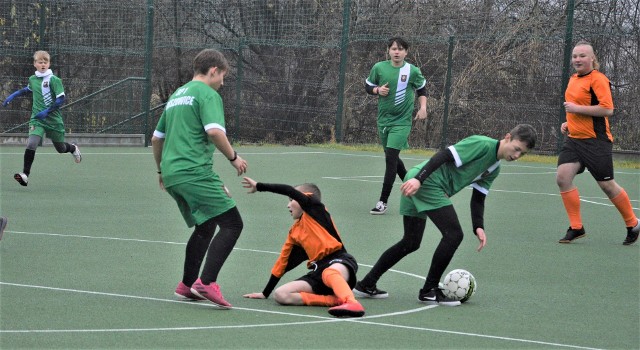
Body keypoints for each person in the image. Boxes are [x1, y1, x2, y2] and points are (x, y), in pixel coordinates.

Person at [354, 124, 538, 306]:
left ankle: (366, 284)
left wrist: (478, 226)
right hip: (427, 182)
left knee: (410, 242)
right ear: (507, 137)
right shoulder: (482, 144)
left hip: (421, 181)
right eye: (516, 149)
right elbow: (443, 155)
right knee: (454, 234)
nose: (516, 156)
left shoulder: (494, 168)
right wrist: (419, 180)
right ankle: (429, 290)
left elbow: (478, 198)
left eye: (522, 154)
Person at [151, 48, 248, 309]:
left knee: (205, 226)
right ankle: (206, 282)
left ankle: (186, 285)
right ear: (213, 70)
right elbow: (215, 132)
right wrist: (233, 157)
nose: (222, 83)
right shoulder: (207, 94)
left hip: (172, 174)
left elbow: (156, 138)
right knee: (232, 223)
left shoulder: (176, 95)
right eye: (222, 76)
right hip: (193, 172)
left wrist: (161, 171)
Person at [241, 177, 365, 318]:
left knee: (329, 273)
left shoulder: (315, 209)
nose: (288, 205)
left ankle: (351, 302)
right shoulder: (295, 232)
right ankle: (333, 300)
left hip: (339, 261)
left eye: (291, 200)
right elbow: (282, 263)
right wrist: (265, 292)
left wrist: (259, 186)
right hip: (318, 271)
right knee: (281, 295)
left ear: (304, 198)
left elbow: (289, 190)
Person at [556, 41, 639, 246]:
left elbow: (607, 109)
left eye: (582, 56)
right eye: (575, 56)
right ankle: (576, 227)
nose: (577, 59)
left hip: (596, 141)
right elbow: (577, 108)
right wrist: (568, 122)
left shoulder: (598, 79)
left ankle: (633, 223)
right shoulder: (573, 79)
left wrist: (576, 110)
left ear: (592, 58)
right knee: (562, 177)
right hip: (574, 141)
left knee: (607, 186)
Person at [366, 37, 428, 215]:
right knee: (394, 160)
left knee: (391, 159)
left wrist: (423, 108)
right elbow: (368, 86)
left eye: (400, 49)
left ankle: (382, 202)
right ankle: (416, 193)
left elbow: (422, 89)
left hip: (402, 122)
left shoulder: (412, 71)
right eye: (393, 49)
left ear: (406, 52)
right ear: (388, 50)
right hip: (383, 121)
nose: (397, 52)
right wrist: (377, 90)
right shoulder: (379, 68)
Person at [2, 50, 81, 186]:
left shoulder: (54, 80)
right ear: (35, 64)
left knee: (61, 148)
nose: (43, 64)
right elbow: (26, 90)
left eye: (46, 62)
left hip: (53, 120)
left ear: (49, 64)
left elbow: (61, 99)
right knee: (32, 143)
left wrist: (47, 111)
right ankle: (25, 175)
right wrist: (12, 96)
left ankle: (73, 148)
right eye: (40, 62)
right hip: (37, 119)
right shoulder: (33, 79)